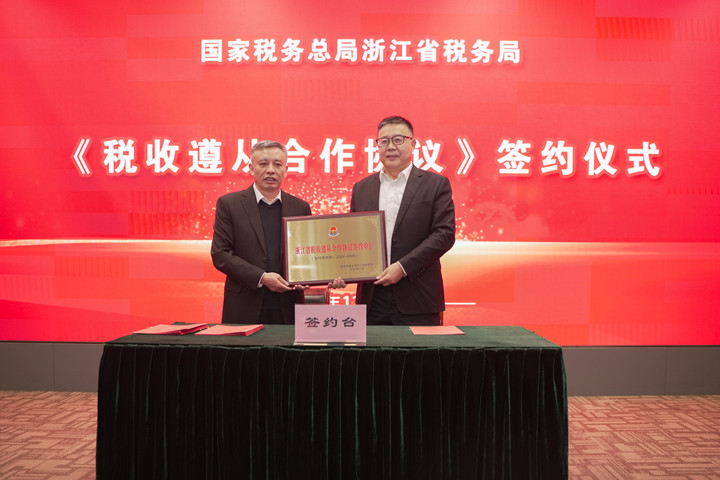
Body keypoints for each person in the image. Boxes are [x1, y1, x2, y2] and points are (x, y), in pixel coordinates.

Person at [333, 116, 456, 325]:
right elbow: (353, 238)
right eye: (384, 141)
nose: (390, 146)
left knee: (418, 349)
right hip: (372, 299)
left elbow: (444, 234)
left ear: (413, 144)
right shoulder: (362, 188)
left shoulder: (435, 184)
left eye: (398, 140)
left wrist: (402, 267)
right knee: (373, 349)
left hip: (418, 297)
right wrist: (339, 270)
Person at [211, 140, 311, 324]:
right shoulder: (229, 205)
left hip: (289, 307)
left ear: (286, 170)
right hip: (243, 306)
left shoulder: (300, 207)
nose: (271, 170)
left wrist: (318, 275)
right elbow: (220, 255)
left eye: (277, 164)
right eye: (263, 164)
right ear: (251, 168)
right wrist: (262, 277)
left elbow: (307, 254)